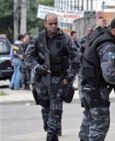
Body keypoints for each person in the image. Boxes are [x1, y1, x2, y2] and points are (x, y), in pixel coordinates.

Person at [78, 15, 115, 141]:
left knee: (88, 121)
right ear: (114, 30)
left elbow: (82, 52)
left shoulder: (97, 34)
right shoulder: (108, 44)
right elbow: (109, 75)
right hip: (96, 90)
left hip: (85, 85)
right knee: (99, 127)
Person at [25, 13, 79, 141]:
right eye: (50, 24)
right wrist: (38, 67)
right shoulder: (38, 38)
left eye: (55, 23)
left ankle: (51, 136)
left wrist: (70, 76)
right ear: (45, 24)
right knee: (46, 109)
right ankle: (51, 130)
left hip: (60, 79)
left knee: (55, 111)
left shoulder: (65, 38)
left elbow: (76, 58)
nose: (53, 26)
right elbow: (28, 56)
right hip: (42, 80)